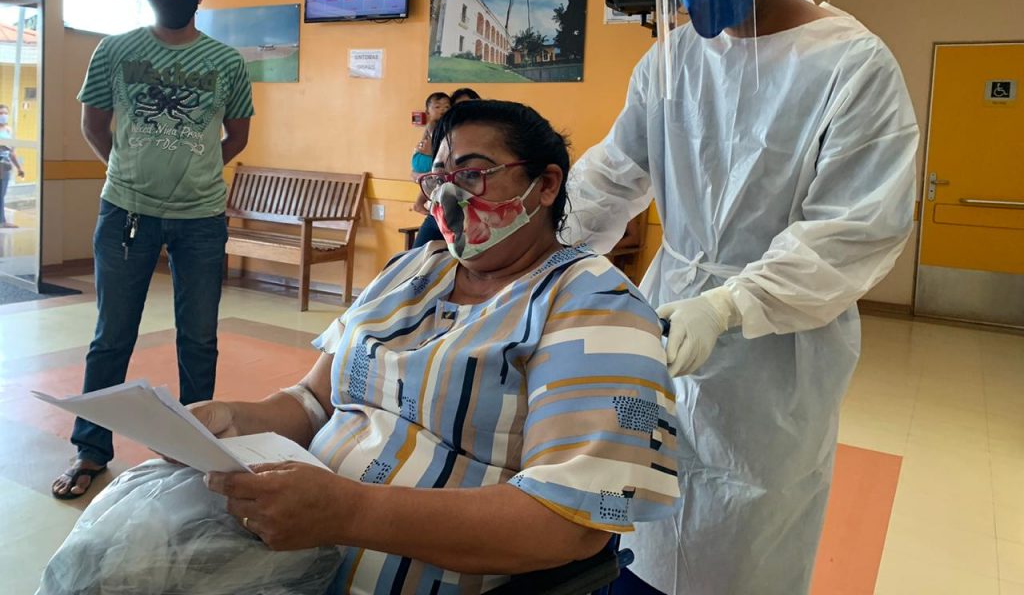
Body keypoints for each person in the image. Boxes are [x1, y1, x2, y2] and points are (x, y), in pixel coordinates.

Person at [43, 100, 682, 594]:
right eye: (438, 178)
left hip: (388, 569)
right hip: (285, 554)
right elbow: (313, 401)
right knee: (99, 566)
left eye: (473, 174)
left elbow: (567, 524)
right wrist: (233, 419)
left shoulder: (594, 306)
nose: (450, 196)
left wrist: (349, 514)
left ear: (545, 185)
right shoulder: (410, 273)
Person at [563, 0, 919, 595]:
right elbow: (610, 178)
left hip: (776, 351)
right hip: (668, 321)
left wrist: (730, 305)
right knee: (639, 512)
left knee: (742, 526)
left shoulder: (849, 65)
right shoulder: (671, 63)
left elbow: (852, 229)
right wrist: (537, 252)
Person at [51, 0, 254, 499]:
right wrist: (128, 173)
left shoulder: (227, 62)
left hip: (201, 219)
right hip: (125, 213)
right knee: (111, 337)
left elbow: (236, 135)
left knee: (199, 338)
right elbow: (94, 125)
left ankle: (196, 447)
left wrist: (196, 173)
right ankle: (91, 450)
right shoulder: (114, 50)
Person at [411, 89, 483, 248]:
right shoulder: (444, 133)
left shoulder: (484, 137)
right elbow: (419, 172)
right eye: (458, 107)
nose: (463, 112)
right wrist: (419, 175)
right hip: (441, 208)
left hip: (473, 211)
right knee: (417, 254)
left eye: (469, 106)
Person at [410, 92, 451, 216]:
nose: (443, 110)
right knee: (436, 178)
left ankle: (420, 203)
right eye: (437, 107)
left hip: (423, 156)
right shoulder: (433, 124)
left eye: (446, 107)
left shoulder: (441, 125)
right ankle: (420, 203)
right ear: (427, 112)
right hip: (425, 157)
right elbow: (435, 142)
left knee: (432, 178)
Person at [0, 103, 26, 228]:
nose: (3, 116)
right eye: (1, 113)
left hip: (5, 166)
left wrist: (19, 168)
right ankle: (2, 221)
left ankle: (1, 220)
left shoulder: (9, 130)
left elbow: (12, 152)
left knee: (2, 193)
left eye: (5, 113)